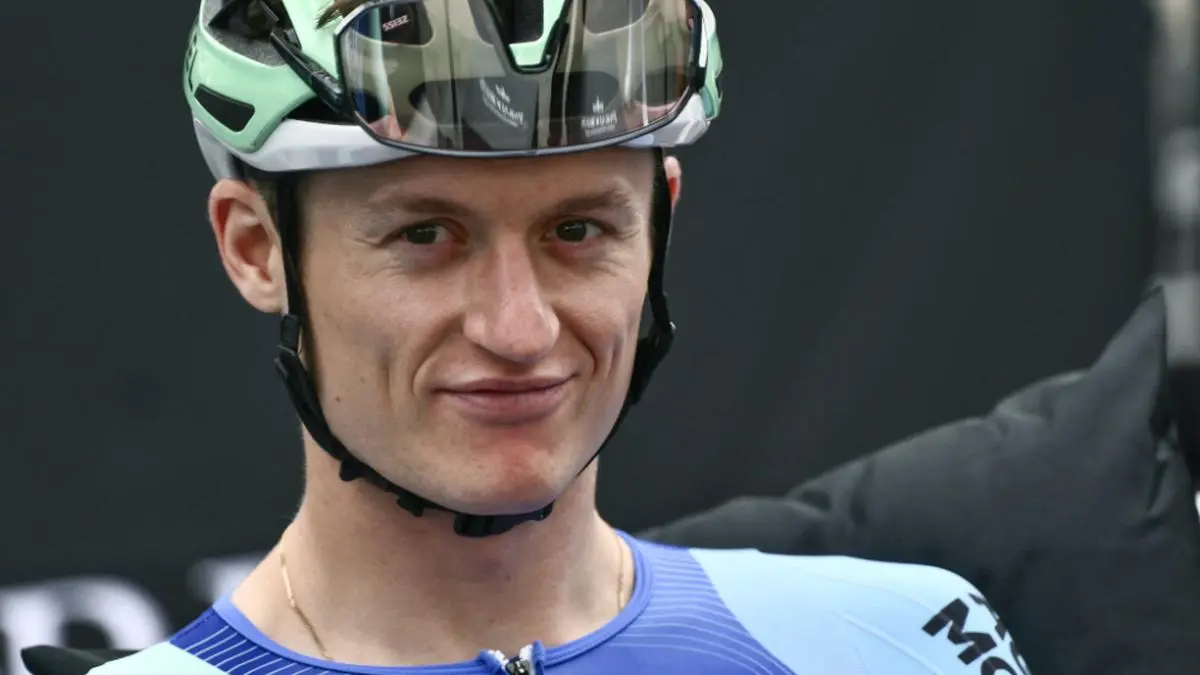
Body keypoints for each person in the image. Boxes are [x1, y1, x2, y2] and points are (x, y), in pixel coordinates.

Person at [26, 1, 1028, 673]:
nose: (519, 327)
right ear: (256, 250)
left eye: (578, 231)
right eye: (426, 235)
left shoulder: (900, 643)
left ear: (661, 226)